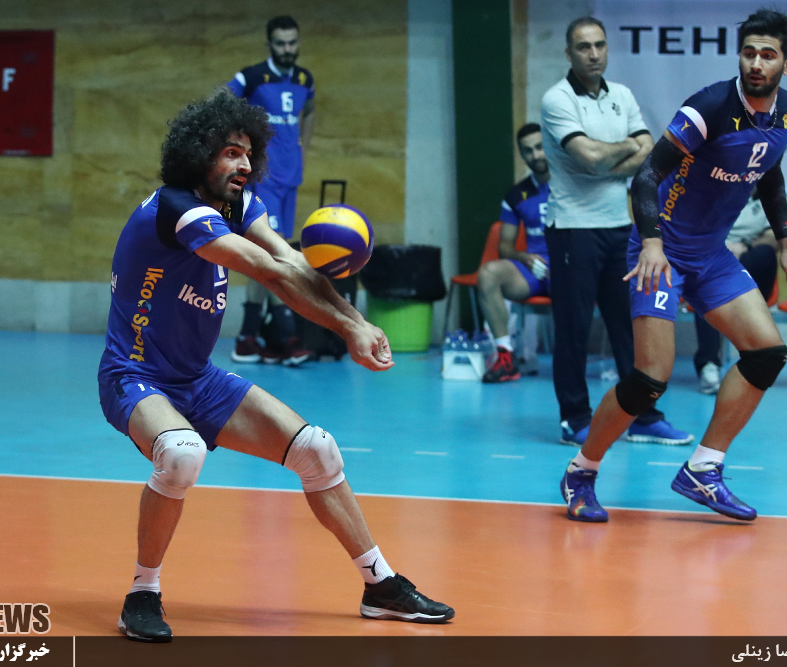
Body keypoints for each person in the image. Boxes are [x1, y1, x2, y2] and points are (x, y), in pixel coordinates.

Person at [98, 92, 453, 642]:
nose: (243, 164)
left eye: (248, 153)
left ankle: (380, 585)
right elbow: (268, 273)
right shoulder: (177, 209)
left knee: (317, 450)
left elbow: (290, 260)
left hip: (196, 378)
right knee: (182, 454)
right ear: (198, 155)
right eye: (230, 153)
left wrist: (357, 320)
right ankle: (142, 593)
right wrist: (349, 330)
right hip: (135, 374)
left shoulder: (238, 205)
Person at [559, 8, 787, 523]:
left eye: (768, 55)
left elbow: (769, 173)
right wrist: (652, 243)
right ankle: (581, 471)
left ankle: (704, 468)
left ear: (786, 64)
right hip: (660, 252)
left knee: (766, 355)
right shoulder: (709, 107)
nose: (756, 63)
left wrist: (786, 244)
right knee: (648, 380)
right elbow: (646, 176)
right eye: (749, 53)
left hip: (710, 255)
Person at [540, 17, 693, 445]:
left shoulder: (621, 95)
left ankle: (643, 417)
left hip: (619, 228)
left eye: (599, 45)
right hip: (573, 229)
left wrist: (607, 158)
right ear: (569, 53)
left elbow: (650, 154)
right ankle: (575, 418)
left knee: (632, 326)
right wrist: (624, 150)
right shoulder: (557, 99)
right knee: (574, 329)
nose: (593, 54)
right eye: (583, 47)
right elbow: (589, 157)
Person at [227, 15, 317, 366]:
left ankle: (248, 337)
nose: (287, 49)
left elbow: (310, 112)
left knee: (270, 254)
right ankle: (286, 335)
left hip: (290, 179)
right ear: (269, 45)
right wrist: (238, 151)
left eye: (292, 42)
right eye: (280, 43)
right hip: (264, 180)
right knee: (277, 255)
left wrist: (302, 147)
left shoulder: (305, 80)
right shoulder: (251, 77)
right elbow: (220, 102)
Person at [479, 123, 550, 383]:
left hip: (569, 267)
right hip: (533, 271)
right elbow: (505, 247)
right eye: (528, 150)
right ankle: (505, 356)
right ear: (522, 154)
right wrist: (525, 258)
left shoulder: (572, 184)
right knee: (488, 273)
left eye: (540, 147)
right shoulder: (516, 194)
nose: (536, 155)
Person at [695, 190, 783, 394]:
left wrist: (745, 246)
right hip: (713, 258)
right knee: (708, 286)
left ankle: (756, 353)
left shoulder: (773, 196)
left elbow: (775, 237)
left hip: (749, 260)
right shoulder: (713, 190)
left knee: (766, 254)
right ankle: (709, 365)